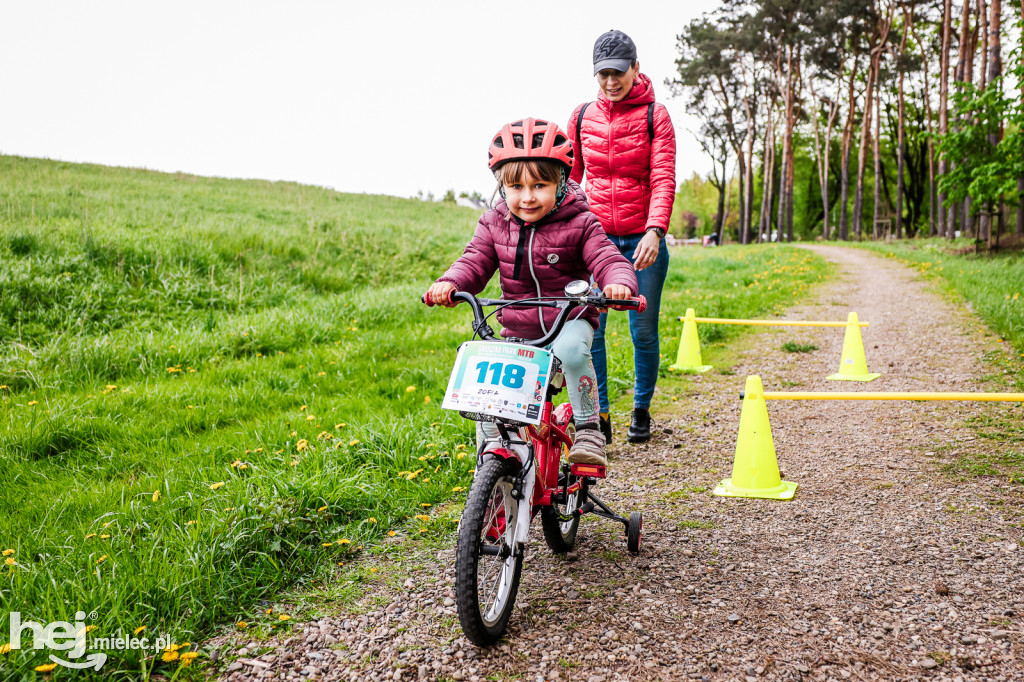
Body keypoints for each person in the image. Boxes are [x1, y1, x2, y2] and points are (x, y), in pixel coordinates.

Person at [425, 118, 638, 468]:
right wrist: (450, 283)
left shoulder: (580, 221)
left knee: (571, 351)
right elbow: (474, 261)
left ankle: (587, 428)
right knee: (486, 389)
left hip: (569, 319)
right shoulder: (494, 223)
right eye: (516, 187)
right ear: (501, 186)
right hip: (518, 328)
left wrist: (618, 282)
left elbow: (606, 256)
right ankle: (492, 471)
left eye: (539, 185)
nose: (527, 197)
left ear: (561, 182)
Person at [568, 29, 676, 445]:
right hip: (596, 240)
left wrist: (655, 229)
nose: (610, 82)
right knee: (589, 328)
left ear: (635, 68)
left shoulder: (655, 115)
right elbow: (570, 180)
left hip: (642, 241)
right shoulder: (580, 117)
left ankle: (641, 409)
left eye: (617, 72)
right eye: (602, 75)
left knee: (643, 330)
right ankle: (599, 414)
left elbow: (663, 177)